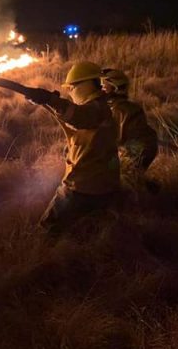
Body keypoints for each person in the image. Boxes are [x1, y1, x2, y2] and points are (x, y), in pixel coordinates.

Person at [25, 61, 121, 237]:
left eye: (72, 87)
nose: (70, 91)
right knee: (91, 231)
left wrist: (51, 100)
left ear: (84, 85)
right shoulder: (101, 106)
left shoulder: (96, 109)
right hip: (105, 185)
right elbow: (75, 119)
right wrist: (47, 102)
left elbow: (77, 116)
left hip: (83, 186)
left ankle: (42, 257)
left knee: (48, 229)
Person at [100, 69, 158, 171]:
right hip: (138, 152)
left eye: (104, 86)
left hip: (132, 154)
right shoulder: (127, 107)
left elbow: (114, 141)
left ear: (115, 87)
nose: (101, 90)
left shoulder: (119, 110)